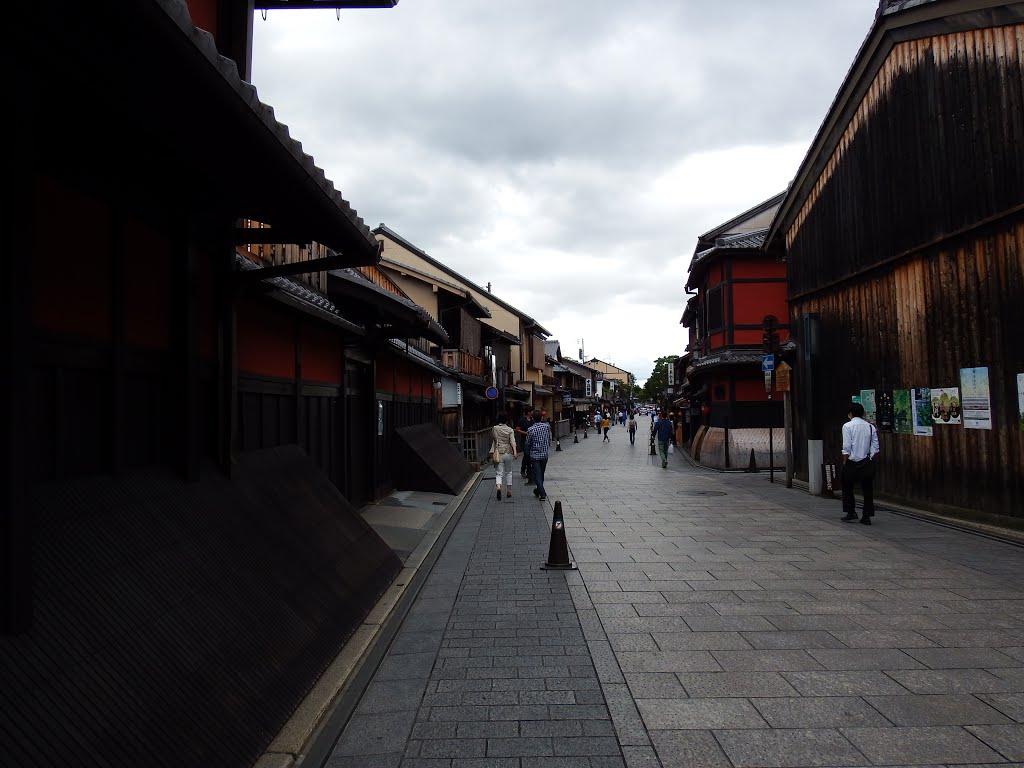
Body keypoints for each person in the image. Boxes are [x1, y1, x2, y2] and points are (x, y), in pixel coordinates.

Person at [841, 402, 880, 524]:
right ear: (862, 414)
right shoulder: (870, 427)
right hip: (867, 461)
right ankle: (867, 515)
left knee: (847, 486)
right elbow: (875, 446)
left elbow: (846, 446)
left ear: (850, 414)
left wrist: (844, 461)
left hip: (852, 461)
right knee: (867, 489)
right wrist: (870, 457)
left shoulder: (847, 426)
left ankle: (851, 511)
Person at [525, 410, 552, 501]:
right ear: (541, 417)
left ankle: (542, 492)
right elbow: (549, 438)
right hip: (544, 454)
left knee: (537, 474)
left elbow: (528, 442)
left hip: (535, 455)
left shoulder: (530, 429)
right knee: (541, 474)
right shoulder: (546, 427)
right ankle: (539, 490)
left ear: (532, 418)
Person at [491, 413, 517, 501]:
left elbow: (494, 439)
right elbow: (512, 441)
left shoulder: (495, 428)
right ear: (507, 421)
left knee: (499, 473)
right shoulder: (510, 430)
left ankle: (499, 487)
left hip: (499, 453)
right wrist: (515, 452)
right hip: (508, 452)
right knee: (509, 472)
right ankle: (509, 491)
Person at [514, 409, 532, 482]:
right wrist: (525, 433)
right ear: (528, 412)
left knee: (530, 455)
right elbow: (517, 429)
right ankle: (523, 469)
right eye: (532, 411)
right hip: (524, 440)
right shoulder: (522, 420)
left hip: (532, 440)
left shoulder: (532, 420)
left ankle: (529, 470)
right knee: (526, 454)